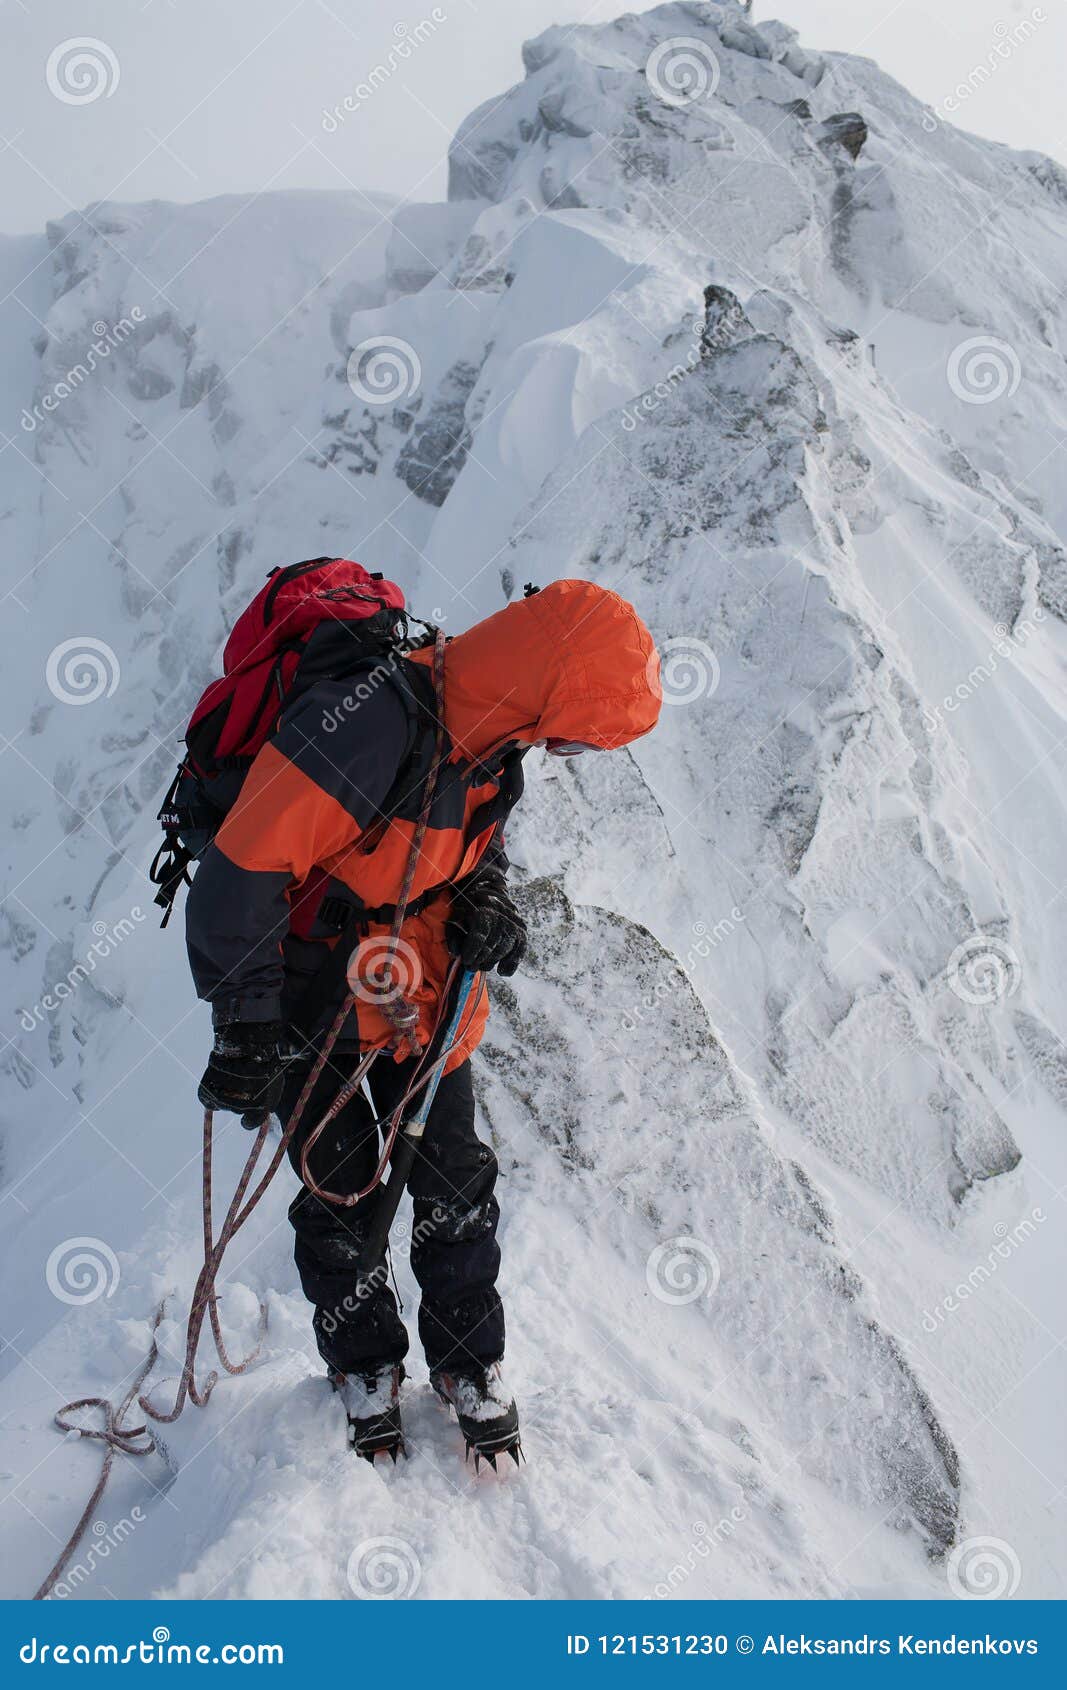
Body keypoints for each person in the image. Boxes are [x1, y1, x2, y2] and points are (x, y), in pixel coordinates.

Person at [185, 578, 661, 1463]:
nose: (563, 750)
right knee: (339, 1187)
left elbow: (469, 846)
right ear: (546, 689)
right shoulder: (369, 725)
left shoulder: (492, 735)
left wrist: (487, 900)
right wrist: (246, 1028)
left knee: (454, 1182)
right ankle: (365, 1364)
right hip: (316, 993)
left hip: (425, 989)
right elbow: (240, 873)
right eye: (572, 732)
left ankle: (468, 1362)